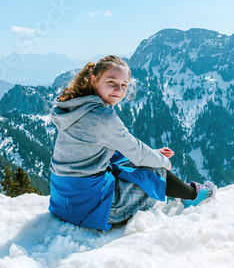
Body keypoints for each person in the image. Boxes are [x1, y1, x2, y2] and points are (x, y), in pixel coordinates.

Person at [48, 55, 216, 231]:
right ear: (93, 80)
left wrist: (152, 154)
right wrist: (163, 161)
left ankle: (185, 190)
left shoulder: (75, 107)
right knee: (153, 171)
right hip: (88, 209)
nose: (118, 89)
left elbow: (109, 150)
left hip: (63, 201)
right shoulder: (102, 117)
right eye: (111, 82)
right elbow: (136, 151)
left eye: (124, 85)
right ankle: (193, 195)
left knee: (127, 163)